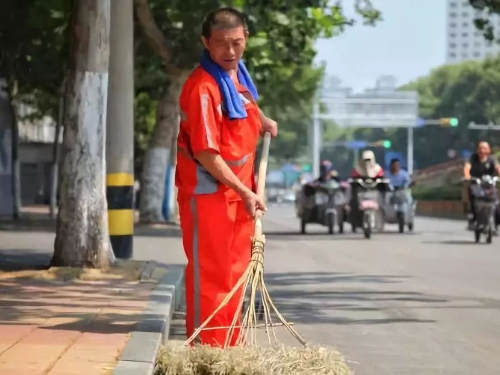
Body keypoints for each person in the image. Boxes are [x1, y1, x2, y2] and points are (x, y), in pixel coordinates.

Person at [175, 7, 278, 347]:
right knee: (211, 273)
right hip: (209, 196)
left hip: (238, 195)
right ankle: (207, 347)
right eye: (221, 44)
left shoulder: (235, 75)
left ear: (246, 38)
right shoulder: (203, 88)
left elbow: (245, 104)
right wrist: (244, 191)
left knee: (235, 273)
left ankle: (230, 345)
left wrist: (262, 119)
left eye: (236, 43)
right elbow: (206, 153)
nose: (230, 52)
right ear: (206, 42)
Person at [463, 141, 500, 227]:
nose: (482, 151)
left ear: (488, 150)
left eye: (484, 148)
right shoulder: (472, 158)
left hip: (489, 184)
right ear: (477, 150)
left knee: (496, 201)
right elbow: (467, 168)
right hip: (476, 184)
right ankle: (472, 217)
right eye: (480, 148)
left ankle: (496, 221)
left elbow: (498, 168)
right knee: (471, 196)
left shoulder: (492, 159)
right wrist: (467, 176)